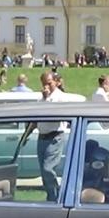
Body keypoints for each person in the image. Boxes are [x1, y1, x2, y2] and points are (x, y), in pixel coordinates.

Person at [34, 72, 76, 200]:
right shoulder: (41, 99)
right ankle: (50, 196)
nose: (46, 86)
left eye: (49, 83)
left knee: (48, 168)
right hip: (42, 137)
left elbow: (54, 115)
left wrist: (47, 99)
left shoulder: (60, 98)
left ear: (56, 82)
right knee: (43, 172)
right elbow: (36, 117)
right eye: (44, 84)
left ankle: (57, 197)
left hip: (54, 137)